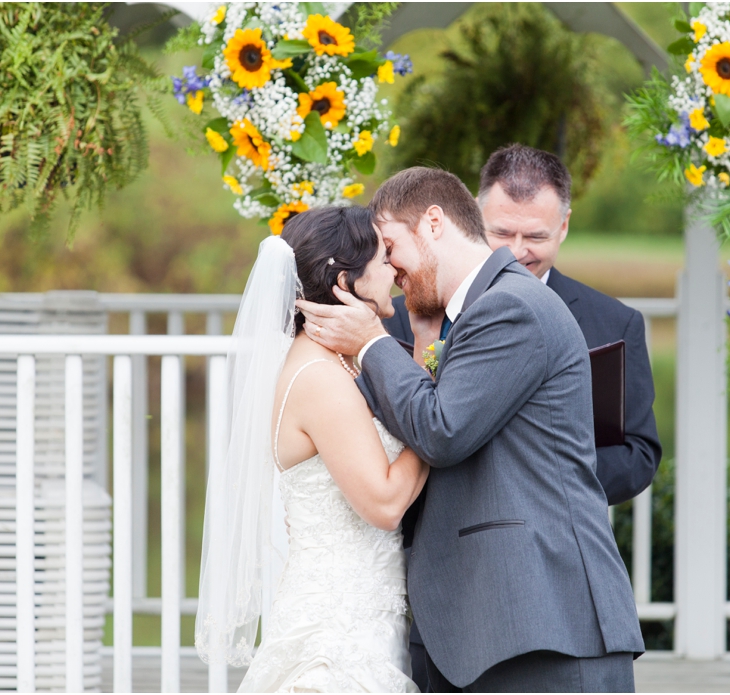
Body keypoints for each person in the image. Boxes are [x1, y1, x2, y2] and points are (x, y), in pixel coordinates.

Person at [298, 167, 644, 692]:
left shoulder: (510, 306)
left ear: (433, 223)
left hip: (540, 623)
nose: (389, 267)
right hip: (487, 624)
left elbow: (442, 429)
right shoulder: (465, 314)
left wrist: (370, 343)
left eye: (390, 245)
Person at [195, 206, 428, 692]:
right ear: (346, 282)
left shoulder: (341, 365)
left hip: (365, 617)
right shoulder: (320, 377)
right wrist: (436, 411)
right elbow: (384, 503)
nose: (394, 270)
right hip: (334, 632)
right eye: (383, 259)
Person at [386, 144, 661, 506]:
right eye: (501, 233)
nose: (516, 252)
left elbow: (638, 455)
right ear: (473, 213)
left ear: (563, 226)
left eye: (535, 237)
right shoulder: (401, 317)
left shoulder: (614, 322)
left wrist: (536, 481)